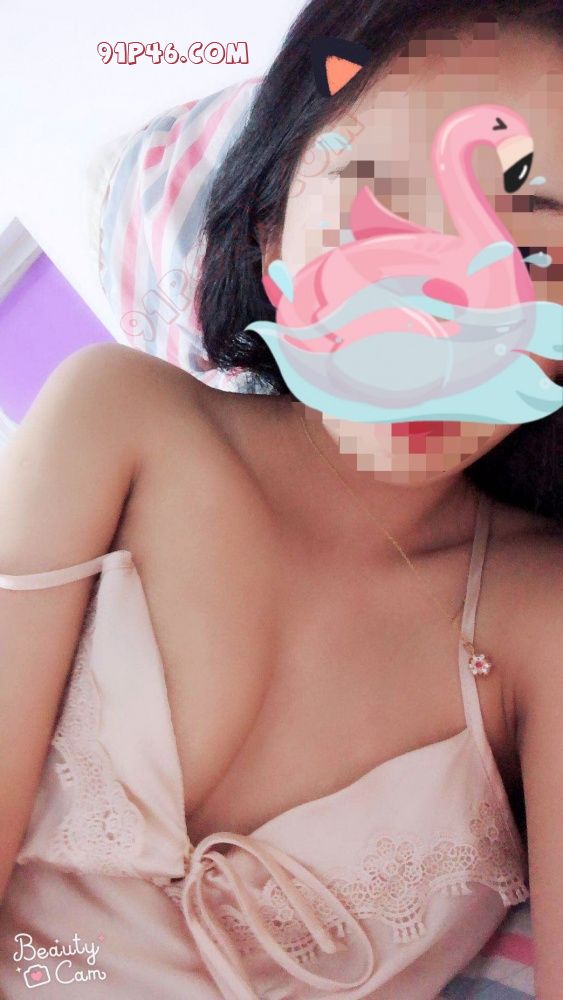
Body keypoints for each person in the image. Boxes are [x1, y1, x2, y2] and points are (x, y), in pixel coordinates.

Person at [0, 2, 562, 998]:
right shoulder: (118, 417)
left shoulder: (538, 612)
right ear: (270, 232)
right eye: (377, 214)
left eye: (530, 259)